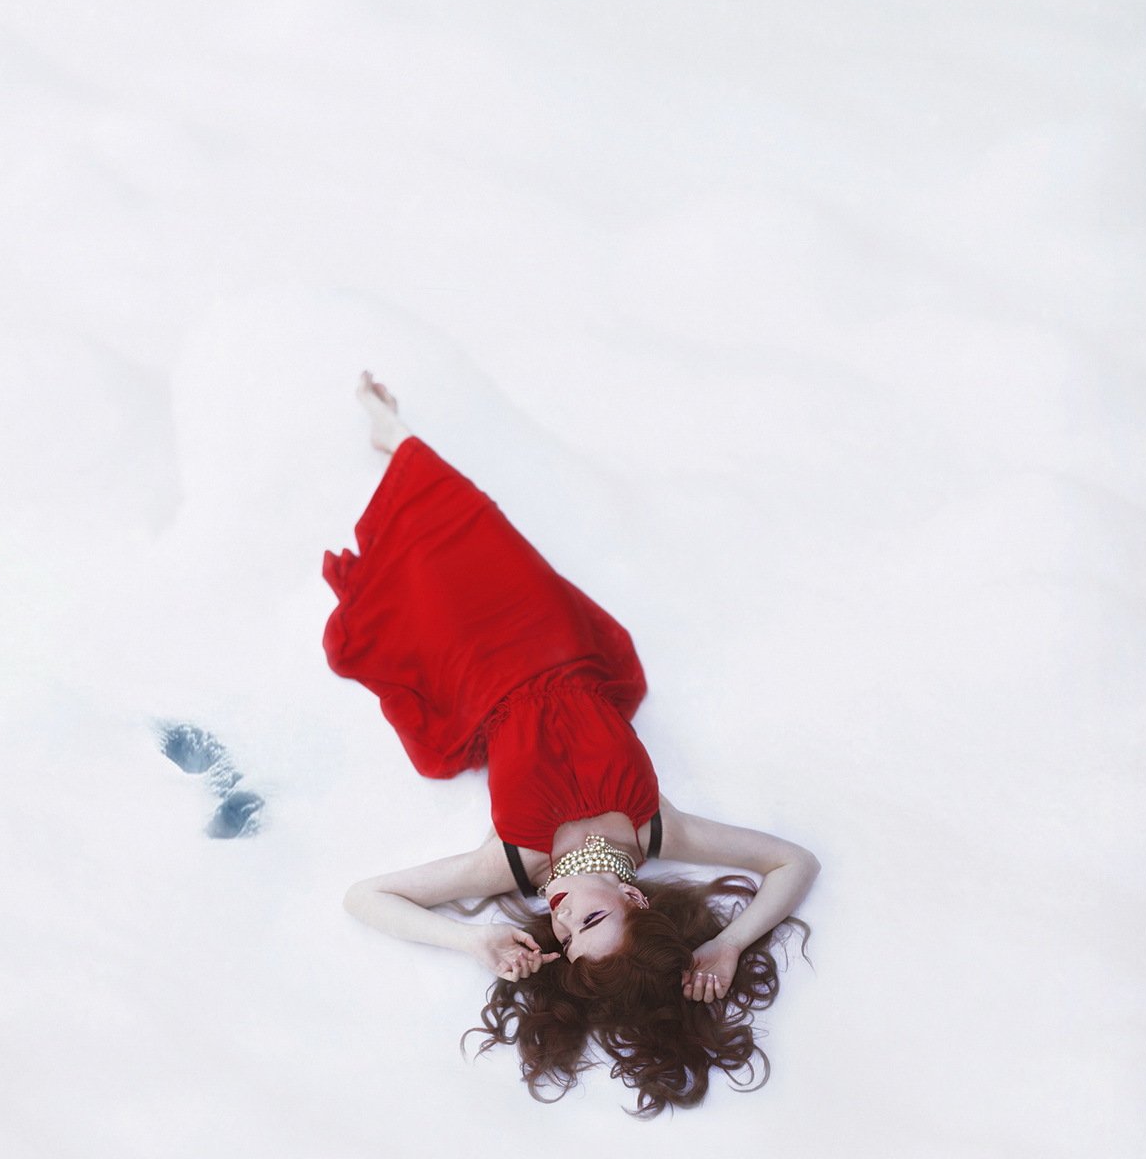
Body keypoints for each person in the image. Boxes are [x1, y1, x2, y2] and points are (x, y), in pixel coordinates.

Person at [328, 371, 819, 1115]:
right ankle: (392, 433)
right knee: (471, 519)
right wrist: (729, 945)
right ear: (631, 896)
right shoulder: (660, 828)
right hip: (558, 643)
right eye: (587, 919)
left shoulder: (515, 865)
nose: (557, 916)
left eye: (562, 933)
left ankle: (390, 435)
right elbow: (793, 861)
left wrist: (475, 944)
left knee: (418, 573)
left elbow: (364, 897)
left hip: (480, 671)